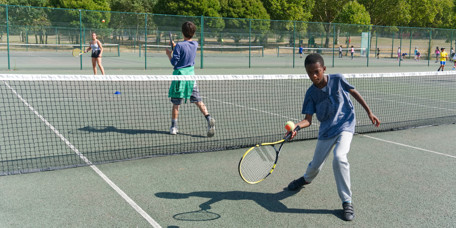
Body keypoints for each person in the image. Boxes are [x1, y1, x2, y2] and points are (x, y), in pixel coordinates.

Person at [286, 53, 380, 221]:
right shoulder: (310, 93)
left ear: (324, 69)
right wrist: (297, 128)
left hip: (346, 124)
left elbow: (353, 92)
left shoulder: (337, 79)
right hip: (326, 131)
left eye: (316, 71)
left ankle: (347, 201)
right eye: (309, 73)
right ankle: (305, 180)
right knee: (315, 166)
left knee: (339, 157)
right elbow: (308, 120)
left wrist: (369, 112)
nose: (313, 76)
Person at [165, 21, 215, 137]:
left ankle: (173, 127)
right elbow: (185, 49)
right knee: (198, 101)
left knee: (176, 104)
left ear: (182, 32)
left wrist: (169, 53)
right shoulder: (195, 44)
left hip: (180, 78)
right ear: (193, 32)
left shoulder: (179, 46)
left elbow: (174, 62)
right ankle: (208, 118)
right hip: (191, 77)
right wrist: (175, 47)